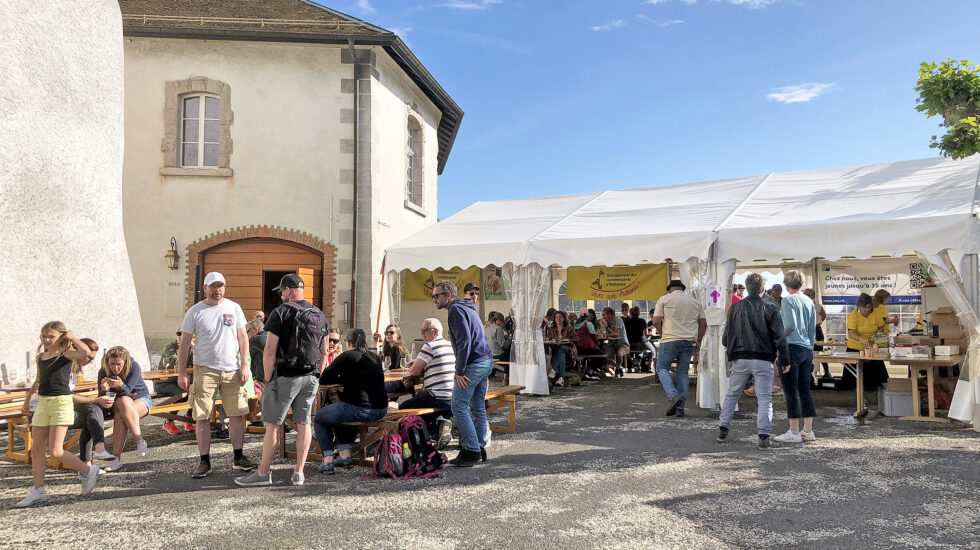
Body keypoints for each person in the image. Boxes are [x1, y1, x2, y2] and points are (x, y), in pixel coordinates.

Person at [235, 273, 328, 487]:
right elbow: (325, 352)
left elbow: (269, 350)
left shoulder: (280, 313)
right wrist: (317, 375)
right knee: (304, 423)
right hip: (310, 377)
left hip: (284, 376)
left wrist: (267, 378)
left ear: (287, 290)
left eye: (282, 291)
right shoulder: (319, 314)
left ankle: (263, 473)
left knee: (274, 425)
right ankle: (299, 472)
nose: (281, 295)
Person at [177, 271, 256, 478]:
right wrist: (182, 371)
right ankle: (204, 461)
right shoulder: (195, 311)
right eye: (213, 286)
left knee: (237, 414)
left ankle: (238, 457)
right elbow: (184, 343)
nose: (217, 290)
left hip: (232, 368)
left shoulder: (234, 307)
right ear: (205, 288)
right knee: (202, 415)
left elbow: (243, 338)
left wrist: (244, 365)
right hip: (205, 369)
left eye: (220, 286)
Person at [16, 322, 99, 507]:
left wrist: (72, 338)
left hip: (61, 403)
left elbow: (85, 352)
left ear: (60, 337)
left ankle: (87, 469)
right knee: (36, 448)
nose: (46, 340)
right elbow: (38, 381)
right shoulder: (41, 357)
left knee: (55, 451)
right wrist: (27, 401)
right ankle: (38, 490)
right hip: (43, 403)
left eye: (51, 337)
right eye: (44, 336)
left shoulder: (66, 355)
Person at [717, 273, 789, 449]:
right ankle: (764, 434)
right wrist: (784, 358)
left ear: (747, 288)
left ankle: (723, 428)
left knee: (733, 393)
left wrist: (731, 347)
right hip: (763, 358)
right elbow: (780, 336)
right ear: (763, 289)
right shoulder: (771, 307)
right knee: (764, 398)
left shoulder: (735, 308)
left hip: (740, 357)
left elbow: (726, 338)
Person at [433, 280, 493, 467]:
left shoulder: (455, 310)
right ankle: (479, 446)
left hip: (473, 364)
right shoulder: (467, 306)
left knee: (458, 405)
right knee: (477, 406)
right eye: (433, 295)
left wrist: (459, 370)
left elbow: (464, 341)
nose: (434, 299)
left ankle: (470, 450)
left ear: (448, 295)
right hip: (485, 360)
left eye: (437, 295)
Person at [313, 329, 388, 474]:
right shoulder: (374, 357)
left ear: (347, 342)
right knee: (336, 414)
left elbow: (324, 379)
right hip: (382, 408)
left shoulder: (347, 356)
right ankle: (344, 455)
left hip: (361, 409)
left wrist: (341, 378)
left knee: (321, 418)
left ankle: (327, 461)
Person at [384, 318, 456, 447]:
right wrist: (420, 363)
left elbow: (413, 372)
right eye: (421, 330)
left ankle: (403, 440)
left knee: (403, 407)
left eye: (425, 330)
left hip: (436, 395)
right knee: (423, 405)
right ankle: (441, 424)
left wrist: (416, 365)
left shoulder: (430, 346)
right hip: (452, 395)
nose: (422, 333)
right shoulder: (449, 345)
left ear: (436, 331)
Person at [772, 270, 817, 443]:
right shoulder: (808, 300)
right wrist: (811, 348)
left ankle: (793, 431)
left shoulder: (788, 300)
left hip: (791, 347)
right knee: (805, 390)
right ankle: (808, 430)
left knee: (790, 390)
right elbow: (812, 329)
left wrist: (778, 338)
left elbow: (789, 326)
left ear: (786, 284)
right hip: (806, 348)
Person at [652, 280, 707, 418]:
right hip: (689, 341)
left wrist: (661, 332)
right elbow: (703, 323)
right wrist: (698, 340)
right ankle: (681, 407)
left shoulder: (664, 299)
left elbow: (655, 320)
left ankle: (673, 396)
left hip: (669, 339)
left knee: (662, 368)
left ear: (670, 289)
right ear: (683, 289)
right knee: (683, 371)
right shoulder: (695, 302)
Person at [98, 346, 151, 471]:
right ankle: (140, 440)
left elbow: (127, 389)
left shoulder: (134, 367)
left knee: (120, 414)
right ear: (107, 362)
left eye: (118, 364)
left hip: (141, 399)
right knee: (123, 401)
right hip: (120, 402)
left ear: (125, 362)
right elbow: (102, 397)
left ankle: (116, 458)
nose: (115, 368)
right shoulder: (103, 371)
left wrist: (120, 385)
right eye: (112, 364)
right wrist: (105, 390)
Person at [68, 338, 117, 470]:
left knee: (93, 414)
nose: (90, 361)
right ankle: (97, 452)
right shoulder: (66, 368)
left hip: (64, 406)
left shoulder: (75, 369)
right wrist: (95, 400)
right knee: (93, 411)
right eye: (89, 358)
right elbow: (67, 396)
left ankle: (88, 463)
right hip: (55, 410)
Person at [844, 292, 888, 393]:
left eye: (870, 307)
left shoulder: (876, 313)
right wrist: (860, 338)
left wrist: (875, 335)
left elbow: (881, 328)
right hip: (855, 347)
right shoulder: (853, 315)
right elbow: (851, 333)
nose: (868, 310)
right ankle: (850, 393)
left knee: (877, 374)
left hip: (871, 347)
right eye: (865, 307)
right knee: (852, 376)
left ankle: (875, 391)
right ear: (860, 306)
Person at [157, 329, 195, 434]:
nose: (181, 336)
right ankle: (169, 421)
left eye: (185, 334)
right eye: (179, 333)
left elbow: (194, 365)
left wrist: (194, 348)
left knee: (196, 391)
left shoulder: (191, 349)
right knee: (181, 394)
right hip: (164, 382)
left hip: (181, 381)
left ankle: (189, 418)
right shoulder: (170, 347)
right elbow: (176, 361)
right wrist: (184, 346)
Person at [803, 289, 831, 379]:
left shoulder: (817, 306)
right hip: (805, 330)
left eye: (808, 294)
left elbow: (824, 315)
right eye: (805, 294)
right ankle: (808, 373)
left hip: (816, 329)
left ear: (813, 296)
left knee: (820, 351)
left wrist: (817, 322)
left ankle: (827, 372)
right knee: (807, 352)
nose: (806, 295)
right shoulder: (800, 305)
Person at [546, 310, 578, 387]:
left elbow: (577, 339)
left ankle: (553, 369)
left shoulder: (569, 328)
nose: (558, 319)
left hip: (568, 349)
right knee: (561, 355)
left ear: (564, 318)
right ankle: (561, 379)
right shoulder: (551, 328)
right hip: (555, 349)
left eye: (560, 317)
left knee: (562, 349)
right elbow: (550, 339)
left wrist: (569, 340)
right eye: (556, 317)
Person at [600, 306, 629, 378]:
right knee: (604, 355)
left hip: (622, 344)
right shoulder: (606, 322)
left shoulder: (618, 320)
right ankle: (618, 367)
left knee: (619, 354)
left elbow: (616, 334)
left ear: (609, 314)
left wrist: (607, 328)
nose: (603, 317)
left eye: (604, 315)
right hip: (611, 344)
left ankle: (617, 369)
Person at [624, 306, 648, 372]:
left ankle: (630, 366)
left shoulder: (626, 322)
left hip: (629, 344)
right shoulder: (642, 321)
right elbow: (646, 333)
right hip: (639, 345)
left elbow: (624, 334)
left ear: (630, 313)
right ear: (639, 313)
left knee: (626, 350)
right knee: (649, 348)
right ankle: (638, 363)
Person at [247, 319, 266, 390]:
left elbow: (246, 359)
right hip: (277, 377)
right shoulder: (271, 336)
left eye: (247, 331)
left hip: (261, 381)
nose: (246, 335)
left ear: (255, 330)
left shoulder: (254, 340)